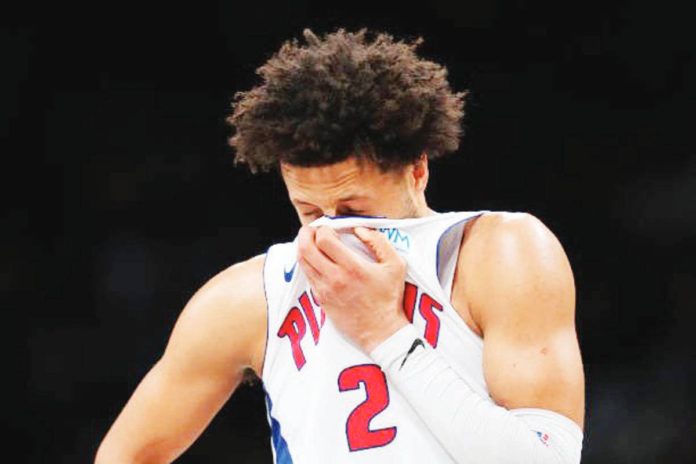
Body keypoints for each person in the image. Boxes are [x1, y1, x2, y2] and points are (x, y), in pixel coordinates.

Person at [95, 27, 585, 463]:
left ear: (417, 170)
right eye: (309, 212)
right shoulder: (249, 298)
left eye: (354, 210)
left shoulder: (499, 251)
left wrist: (386, 334)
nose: (331, 232)